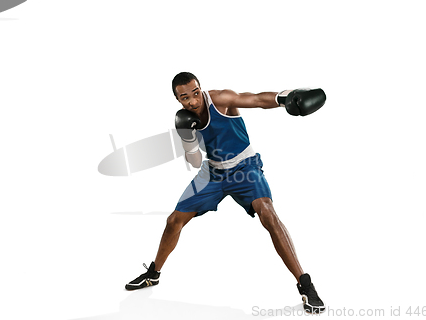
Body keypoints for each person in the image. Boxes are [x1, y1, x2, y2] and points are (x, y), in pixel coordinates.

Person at [125, 72, 326, 314]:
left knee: (269, 215)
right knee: (173, 221)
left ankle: (305, 284)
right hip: (213, 172)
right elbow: (196, 159)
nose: (192, 101)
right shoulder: (184, 118)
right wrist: (187, 138)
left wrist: (285, 99)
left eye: (195, 93)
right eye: (185, 97)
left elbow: (255, 100)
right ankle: (153, 273)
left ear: (200, 88)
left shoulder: (220, 99)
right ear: (177, 99)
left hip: (245, 167)